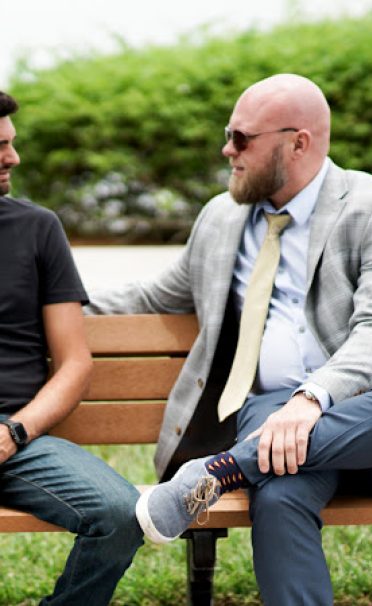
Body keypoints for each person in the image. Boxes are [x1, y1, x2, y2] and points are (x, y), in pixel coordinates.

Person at [87, 74, 372, 605]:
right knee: (278, 497)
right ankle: (245, 461)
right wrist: (52, 303)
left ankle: (222, 470)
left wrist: (313, 397)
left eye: (242, 138)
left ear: (298, 142)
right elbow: (154, 295)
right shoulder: (221, 216)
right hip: (271, 417)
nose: (226, 149)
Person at [0, 91, 143, 605]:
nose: (13, 158)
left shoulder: (37, 228)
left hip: (18, 439)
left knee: (121, 513)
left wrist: (14, 432)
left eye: (11, 144)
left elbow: (76, 364)